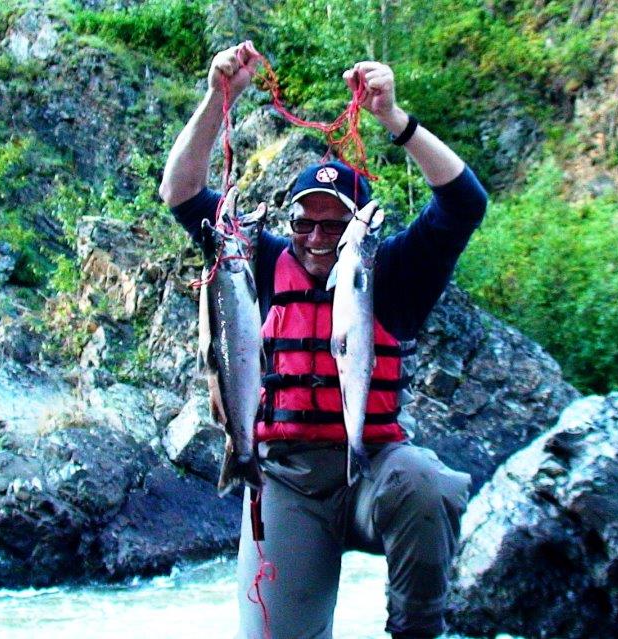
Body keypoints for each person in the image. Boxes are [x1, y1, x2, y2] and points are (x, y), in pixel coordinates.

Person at [159, 41, 488, 639]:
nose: (315, 237)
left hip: (372, 468)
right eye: (303, 222)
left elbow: (464, 203)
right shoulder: (251, 262)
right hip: (284, 478)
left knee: (425, 479)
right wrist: (218, 97)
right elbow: (180, 192)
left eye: (334, 225)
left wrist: (395, 120)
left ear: (358, 227)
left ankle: (417, 630)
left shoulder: (389, 273)